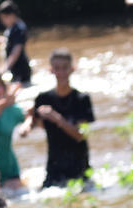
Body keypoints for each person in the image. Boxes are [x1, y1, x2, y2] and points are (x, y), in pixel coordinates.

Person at [20, 48, 95, 189]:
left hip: (79, 165)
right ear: (51, 70)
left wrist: (56, 118)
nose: (61, 72)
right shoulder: (43, 98)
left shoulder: (82, 99)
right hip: (54, 166)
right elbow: (33, 122)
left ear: (72, 69)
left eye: (65, 68)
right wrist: (26, 124)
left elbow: (80, 135)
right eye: (57, 68)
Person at [0, 1, 31, 85]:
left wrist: (5, 68)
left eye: (3, 18)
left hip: (21, 70)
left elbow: (16, 50)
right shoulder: (13, 27)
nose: (2, 21)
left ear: (11, 15)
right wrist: (0, 39)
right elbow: (11, 40)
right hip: (16, 69)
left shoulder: (18, 29)